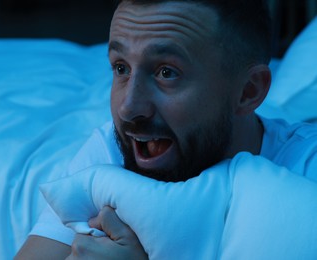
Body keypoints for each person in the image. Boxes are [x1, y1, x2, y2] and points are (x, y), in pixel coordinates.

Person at [16, 0, 317, 259]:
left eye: (166, 72)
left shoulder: (305, 173)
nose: (128, 108)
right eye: (121, 67)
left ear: (248, 91)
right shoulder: (112, 150)